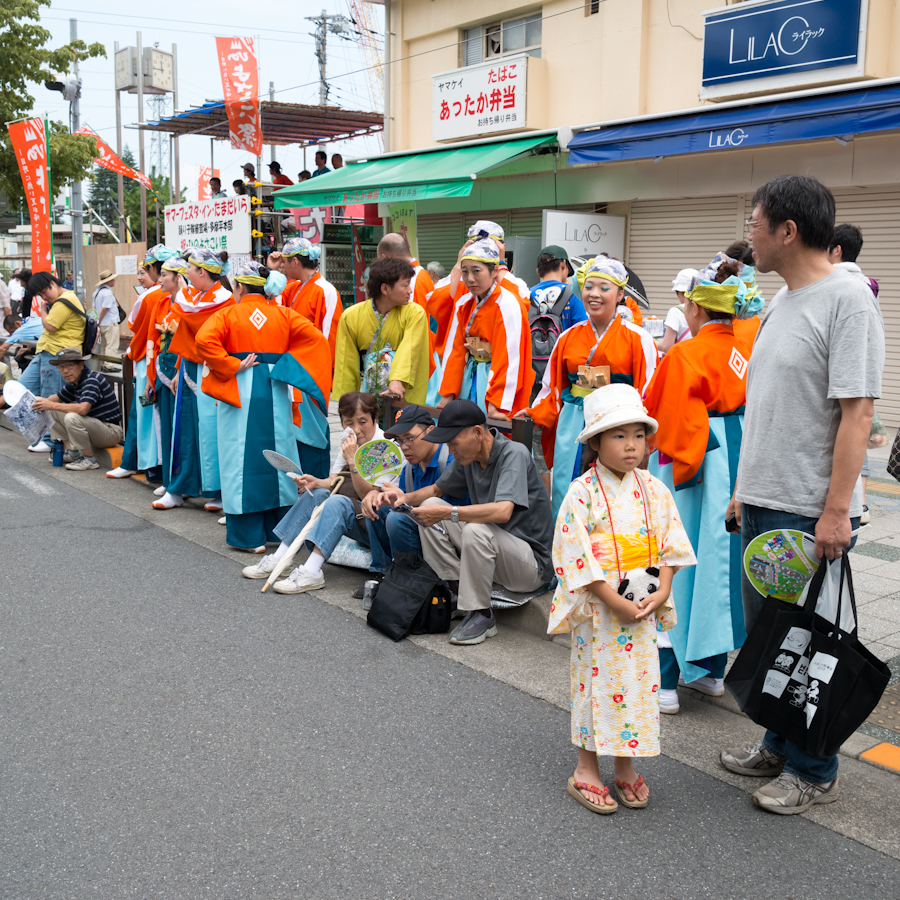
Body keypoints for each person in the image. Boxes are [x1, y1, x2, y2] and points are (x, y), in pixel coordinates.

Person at [720, 175, 884, 814]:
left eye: (756, 221)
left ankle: (814, 768)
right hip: (764, 501)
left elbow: (858, 414)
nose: (749, 235)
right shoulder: (783, 300)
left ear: (788, 230)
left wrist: (837, 510)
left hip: (808, 508)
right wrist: (741, 490)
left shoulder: (848, 300)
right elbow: (767, 408)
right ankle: (777, 742)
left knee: (809, 641)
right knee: (770, 637)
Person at [550, 383, 695, 813]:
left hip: (643, 601)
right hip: (600, 608)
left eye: (638, 435)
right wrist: (610, 597)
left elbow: (670, 541)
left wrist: (665, 586)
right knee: (595, 685)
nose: (632, 445)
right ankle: (586, 768)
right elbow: (572, 551)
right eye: (618, 435)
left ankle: (626, 766)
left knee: (636, 684)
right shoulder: (582, 492)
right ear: (595, 441)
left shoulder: (653, 488)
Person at [645, 257, 762, 715]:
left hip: (694, 460)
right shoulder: (749, 347)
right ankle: (714, 671)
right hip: (738, 456)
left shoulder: (686, 353)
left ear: (695, 311)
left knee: (675, 557)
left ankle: (668, 681)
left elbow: (662, 415)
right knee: (723, 562)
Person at [389, 399, 555, 645]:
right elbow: (436, 490)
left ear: (478, 432)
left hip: (531, 567)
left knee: (473, 527)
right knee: (429, 508)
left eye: (453, 443)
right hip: (496, 553)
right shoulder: (470, 458)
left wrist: (449, 513)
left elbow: (502, 512)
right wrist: (404, 498)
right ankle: (456, 592)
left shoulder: (514, 453)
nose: (451, 451)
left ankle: (482, 614)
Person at [196, 260, 333, 552]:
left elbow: (203, 340)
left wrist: (231, 364)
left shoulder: (228, 314)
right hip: (275, 387)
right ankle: (277, 531)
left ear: (240, 286)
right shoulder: (284, 315)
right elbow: (317, 341)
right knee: (278, 455)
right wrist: (287, 367)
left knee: (238, 457)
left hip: (240, 388)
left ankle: (248, 537)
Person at [525, 256, 659, 522]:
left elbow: (648, 391)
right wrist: (534, 411)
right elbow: (551, 387)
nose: (594, 294)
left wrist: (645, 442)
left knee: (614, 492)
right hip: (574, 421)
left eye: (604, 288)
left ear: (620, 294)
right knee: (567, 486)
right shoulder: (567, 336)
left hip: (618, 424)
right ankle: (568, 551)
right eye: (588, 286)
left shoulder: (638, 338)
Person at [243, 391, 399, 586]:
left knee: (337, 501)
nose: (356, 429)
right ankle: (281, 558)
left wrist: (353, 461)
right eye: (349, 422)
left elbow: (368, 497)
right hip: (354, 514)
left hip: (375, 523)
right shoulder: (349, 440)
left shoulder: (387, 449)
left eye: (363, 422)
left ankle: (312, 571)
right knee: (317, 493)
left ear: (375, 418)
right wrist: (316, 482)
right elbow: (335, 481)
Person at [362, 404, 467, 596]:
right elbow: (405, 505)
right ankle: (386, 576)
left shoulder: (451, 458)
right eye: (399, 441)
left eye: (410, 438)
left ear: (431, 430)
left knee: (397, 519)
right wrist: (380, 496)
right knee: (378, 507)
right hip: (425, 534)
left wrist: (404, 500)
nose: (404, 447)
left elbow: (435, 495)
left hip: (455, 544)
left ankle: (415, 585)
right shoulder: (409, 469)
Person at [159, 248, 235, 511]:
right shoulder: (195, 295)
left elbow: (193, 319)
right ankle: (179, 488)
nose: (186, 272)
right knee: (185, 429)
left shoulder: (223, 298)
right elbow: (185, 335)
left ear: (201, 272)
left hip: (212, 369)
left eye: (189, 268)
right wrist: (180, 367)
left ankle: (219, 491)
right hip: (191, 367)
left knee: (214, 432)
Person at [438, 238, 533, 421]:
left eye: (476, 271)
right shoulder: (463, 303)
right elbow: (455, 352)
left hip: (495, 380)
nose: (470, 278)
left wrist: (496, 404)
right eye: (464, 272)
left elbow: (508, 358)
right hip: (470, 374)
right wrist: (447, 394)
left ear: (494, 270)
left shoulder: (508, 304)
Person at [107, 245, 179, 481]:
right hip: (164, 362)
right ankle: (151, 467)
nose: (141, 276)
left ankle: (138, 463)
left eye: (145, 270)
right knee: (154, 415)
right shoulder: (172, 297)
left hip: (148, 361)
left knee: (144, 412)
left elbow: (134, 324)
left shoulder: (152, 296)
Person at [826, 224, 881, 525]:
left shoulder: (842, 286)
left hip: (846, 389)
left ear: (836, 251)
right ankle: (859, 503)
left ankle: (852, 505)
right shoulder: (867, 285)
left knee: (850, 431)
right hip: (862, 384)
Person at [332, 256, 431, 405]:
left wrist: (397, 380)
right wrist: (348, 403)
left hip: (403, 389)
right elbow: (346, 363)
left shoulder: (415, 313)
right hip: (369, 388)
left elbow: (410, 349)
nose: (410, 291)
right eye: (405, 285)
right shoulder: (350, 317)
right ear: (385, 288)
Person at [20, 272, 86, 450]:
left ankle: (50, 441)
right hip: (46, 352)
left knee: (50, 396)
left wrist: (42, 312)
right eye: (40, 295)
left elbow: (50, 325)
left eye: (44, 292)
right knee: (22, 389)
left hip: (58, 355)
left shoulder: (66, 299)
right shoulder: (60, 301)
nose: (44, 297)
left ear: (52, 283)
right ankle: (40, 434)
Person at [32, 347, 124, 470]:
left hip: (111, 431)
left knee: (71, 416)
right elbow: (56, 398)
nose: (65, 371)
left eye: (70, 365)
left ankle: (89, 459)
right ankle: (73, 453)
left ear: (81, 365)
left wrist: (50, 404)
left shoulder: (92, 379)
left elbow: (83, 409)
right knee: (51, 410)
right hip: (95, 429)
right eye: (61, 367)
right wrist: (35, 401)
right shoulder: (75, 382)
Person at [660, 268, 699, 355]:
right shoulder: (703, 309)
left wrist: (651, 342)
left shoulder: (675, 311)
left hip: (682, 359)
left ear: (680, 292)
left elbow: (666, 346)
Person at [92, 269, 121, 371]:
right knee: (112, 344)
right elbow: (105, 308)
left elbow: (94, 308)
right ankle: (109, 365)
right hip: (110, 322)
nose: (114, 281)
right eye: (112, 279)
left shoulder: (96, 292)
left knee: (104, 345)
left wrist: (97, 321)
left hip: (102, 324)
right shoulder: (108, 293)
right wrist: (99, 319)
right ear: (108, 281)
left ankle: (103, 364)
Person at [0, 312, 41, 379]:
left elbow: (2, 348)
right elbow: (34, 334)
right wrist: (28, 349)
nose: (11, 335)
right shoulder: (33, 320)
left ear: (17, 324)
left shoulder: (21, 329)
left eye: (12, 332)